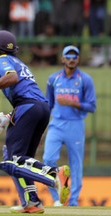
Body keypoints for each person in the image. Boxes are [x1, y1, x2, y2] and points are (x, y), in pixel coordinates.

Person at [0, 30, 70, 213]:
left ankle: (53, 175)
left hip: (28, 107)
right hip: (39, 108)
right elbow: (25, 93)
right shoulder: (17, 61)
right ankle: (32, 202)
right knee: (20, 160)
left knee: (12, 161)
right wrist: (8, 117)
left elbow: (12, 78)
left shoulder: (1, 60)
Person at [43, 45, 96, 206]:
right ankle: (56, 199)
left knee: (76, 164)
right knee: (48, 160)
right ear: (62, 59)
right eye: (68, 56)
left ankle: (73, 201)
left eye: (75, 57)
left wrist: (73, 103)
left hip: (75, 125)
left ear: (78, 59)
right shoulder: (54, 79)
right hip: (56, 124)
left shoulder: (85, 80)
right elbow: (48, 105)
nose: (72, 59)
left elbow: (91, 106)